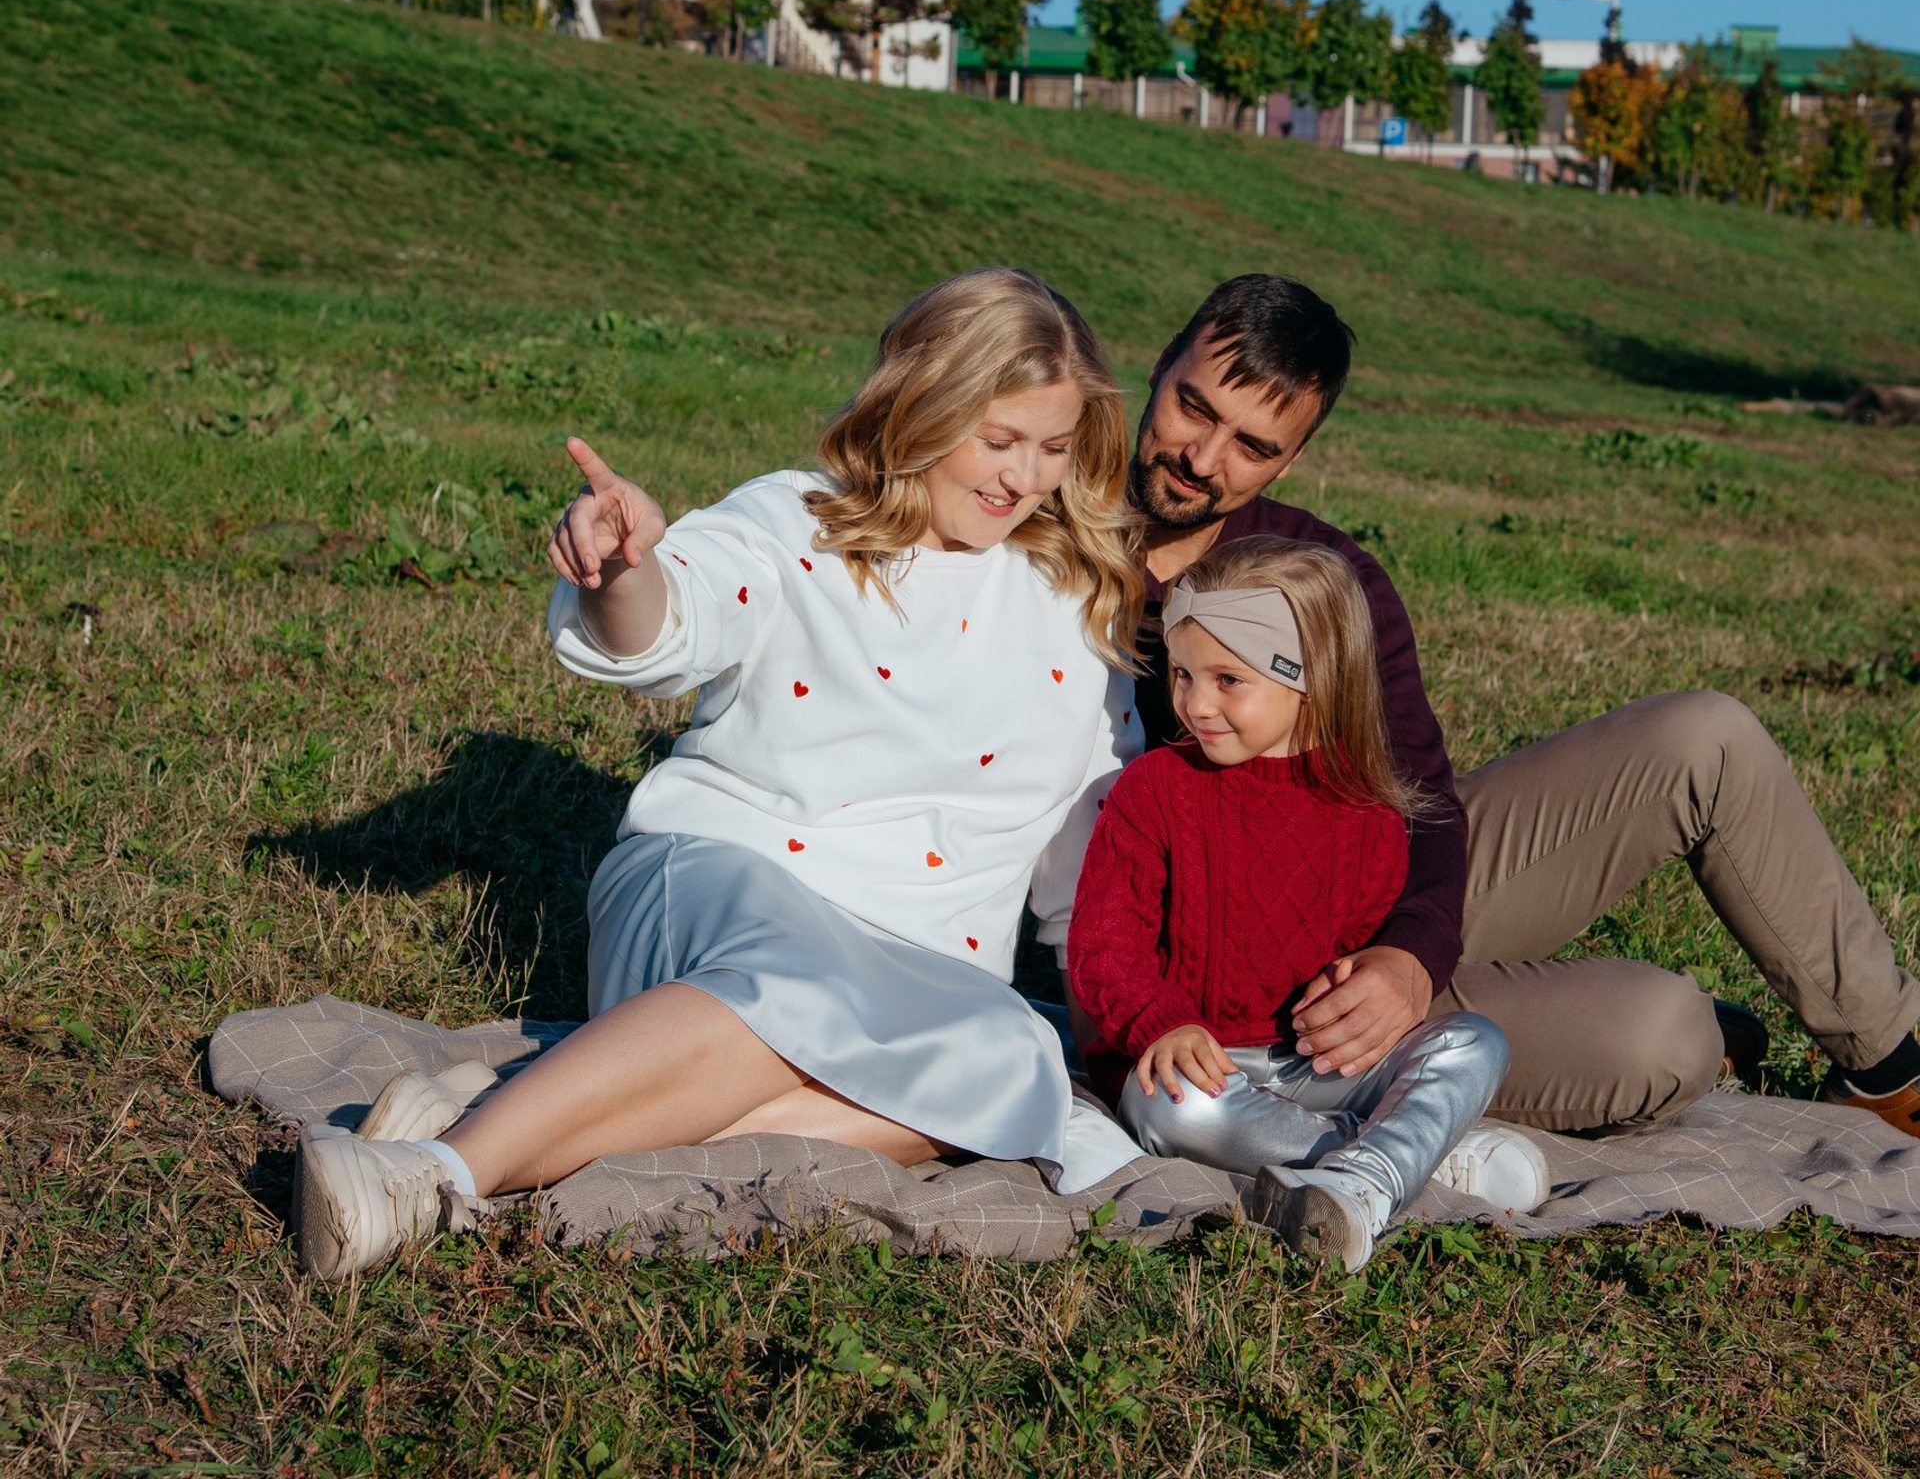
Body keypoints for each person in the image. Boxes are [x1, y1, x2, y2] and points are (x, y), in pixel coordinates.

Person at [290, 269, 1149, 1280]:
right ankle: (435, 1175)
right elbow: (674, 622)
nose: (1026, 478)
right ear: (922, 408)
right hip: (723, 888)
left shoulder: (1071, 605)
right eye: (1000, 441)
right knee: (801, 997)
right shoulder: (798, 524)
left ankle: (521, 1112)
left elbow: (1089, 860)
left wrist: (1131, 1025)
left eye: (1054, 448)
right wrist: (624, 573)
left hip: (918, 975)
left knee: (1010, 1063)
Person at [1046, 272, 1920, 1139]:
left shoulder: (1321, 578)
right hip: (1194, 982)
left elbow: (1419, 798)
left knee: (1708, 738)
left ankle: (1891, 1068)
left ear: (1294, 457)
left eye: (1254, 446)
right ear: (1158, 369)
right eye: (1194, 409)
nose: (1204, 459)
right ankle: (1638, 1023)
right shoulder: (1039, 544)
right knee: (1665, 1036)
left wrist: (1410, 958)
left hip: (1349, 908)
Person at [1069, 536, 1549, 1272]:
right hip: (1197, 1066)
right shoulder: (1155, 790)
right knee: (1179, 1109)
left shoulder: (1366, 808)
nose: (1195, 703)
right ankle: (1403, 1158)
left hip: (1313, 1069)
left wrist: (1360, 1010)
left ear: (1312, 681)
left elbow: (1359, 958)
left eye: (1229, 680)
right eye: (1184, 674)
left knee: (1476, 1042)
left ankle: (1365, 1174)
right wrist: (1160, 1024)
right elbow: (1104, 944)